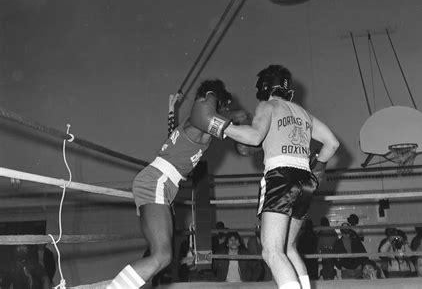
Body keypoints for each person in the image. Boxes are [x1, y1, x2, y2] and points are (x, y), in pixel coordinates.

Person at [107, 79, 234, 289]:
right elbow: (214, 110)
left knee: (160, 255)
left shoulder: (193, 125)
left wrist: (170, 110)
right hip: (157, 181)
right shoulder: (201, 119)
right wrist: (219, 99)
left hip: (159, 183)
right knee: (162, 256)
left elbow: (174, 137)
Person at [224, 64, 340, 289]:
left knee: (272, 252)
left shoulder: (267, 105)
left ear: (265, 87)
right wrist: (319, 165)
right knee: (288, 248)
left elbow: (254, 137)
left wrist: (219, 126)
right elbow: (332, 143)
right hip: (306, 179)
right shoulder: (304, 114)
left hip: (280, 176)